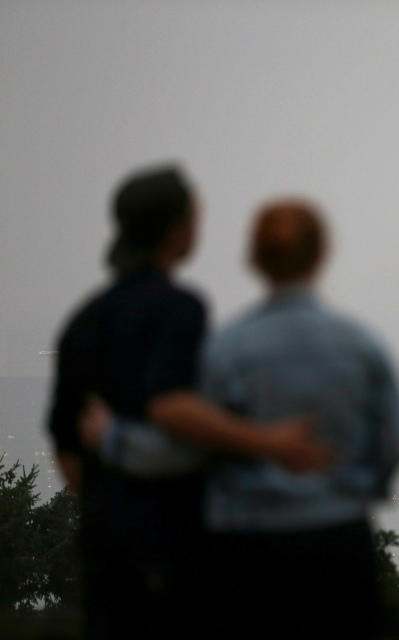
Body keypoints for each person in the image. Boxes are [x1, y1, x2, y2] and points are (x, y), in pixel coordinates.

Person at [88, 197, 399, 637]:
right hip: (339, 546)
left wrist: (114, 439)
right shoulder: (360, 346)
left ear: (255, 259)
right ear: (322, 255)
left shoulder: (226, 348)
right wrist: (351, 490)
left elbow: (185, 449)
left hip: (244, 552)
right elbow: (398, 442)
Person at [47, 165, 330, 639]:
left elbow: (67, 448)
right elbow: (170, 406)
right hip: (176, 544)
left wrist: (110, 501)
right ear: (177, 232)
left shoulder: (83, 321)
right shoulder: (179, 308)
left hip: (103, 547)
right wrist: (266, 442)